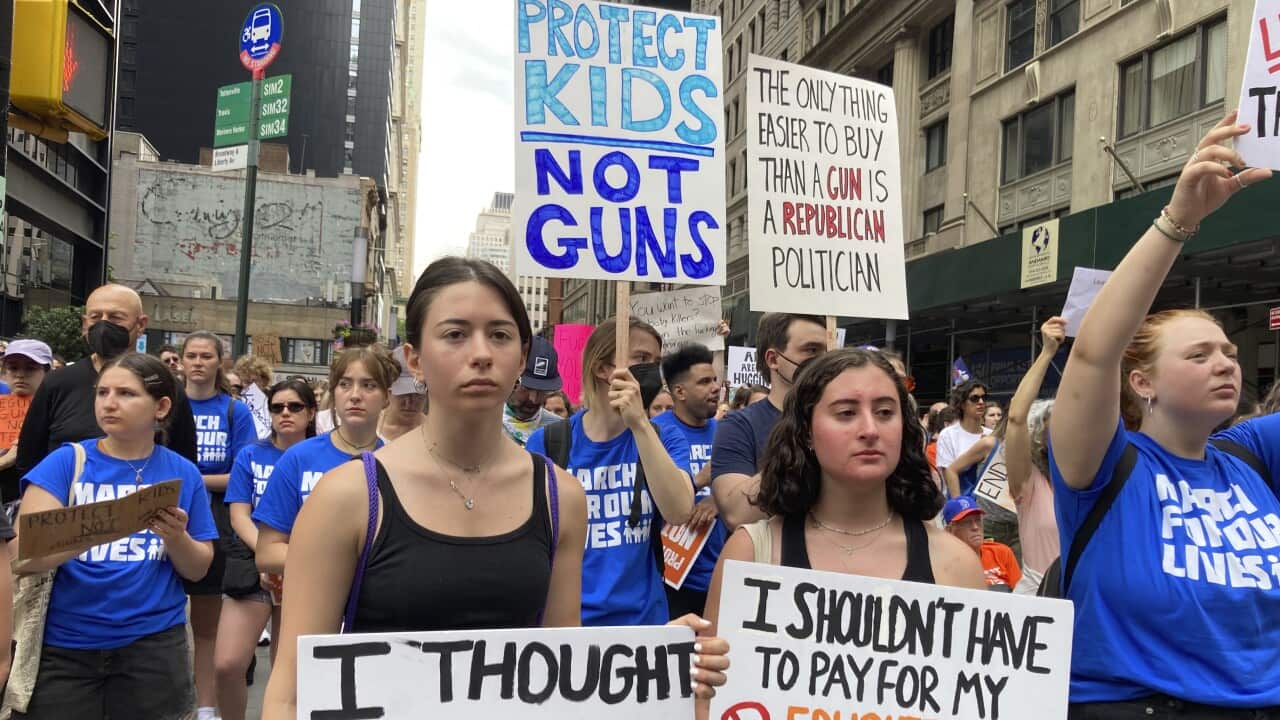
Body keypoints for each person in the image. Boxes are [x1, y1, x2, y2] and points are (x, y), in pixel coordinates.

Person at [260, 257, 726, 720]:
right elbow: (290, 695)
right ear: (414, 358)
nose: (481, 353)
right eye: (455, 334)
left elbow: (564, 675)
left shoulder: (559, 497)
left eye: (500, 335)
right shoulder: (347, 498)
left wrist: (655, 660)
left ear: (522, 357)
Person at [1050, 112, 1280, 715]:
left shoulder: (1254, 459)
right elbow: (1096, 350)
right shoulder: (1103, 466)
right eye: (1200, 354)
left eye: (1230, 352)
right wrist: (1178, 222)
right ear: (1142, 381)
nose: (1226, 363)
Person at [705, 349, 985, 635]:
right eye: (846, 413)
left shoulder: (957, 564)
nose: (870, 429)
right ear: (806, 432)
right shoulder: (751, 553)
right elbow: (716, 675)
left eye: (885, 412)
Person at [14, 353, 217, 719]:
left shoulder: (182, 472)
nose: (109, 403)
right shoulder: (66, 462)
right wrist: (97, 529)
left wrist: (176, 538)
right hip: (65, 646)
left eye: (126, 393)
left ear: (161, 407)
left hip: (152, 646)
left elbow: (199, 568)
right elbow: (24, 552)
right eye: (102, 392)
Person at [526, 317, 696, 625]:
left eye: (656, 362)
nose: (651, 370)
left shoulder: (664, 438)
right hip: (569, 627)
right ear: (603, 369)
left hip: (643, 625)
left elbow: (680, 510)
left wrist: (640, 425)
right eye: (641, 359)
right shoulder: (548, 443)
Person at [16, 284, 199, 484]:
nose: (103, 325)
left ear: (141, 324)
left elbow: (184, 461)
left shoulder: (165, 384)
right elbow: (30, 458)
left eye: (115, 317)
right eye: (95, 317)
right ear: (85, 323)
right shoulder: (57, 382)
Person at [214, 378, 316, 720]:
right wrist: (268, 555)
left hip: (307, 571)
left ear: (311, 412)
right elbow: (239, 513)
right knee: (227, 664)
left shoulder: (324, 455)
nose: (285, 413)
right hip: (253, 565)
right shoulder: (251, 454)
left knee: (288, 672)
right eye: (277, 407)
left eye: (295, 407)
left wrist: (289, 563)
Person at [252, 346, 394, 577]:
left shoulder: (396, 462)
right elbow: (267, 552)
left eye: (369, 385)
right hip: (312, 603)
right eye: (345, 384)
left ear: (386, 397)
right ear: (334, 393)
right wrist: (341, 560)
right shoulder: (298, 458)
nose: (355, 395)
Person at [180, 331, 257, 720]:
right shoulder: (168, 407)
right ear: (179, 361)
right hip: (166, 517)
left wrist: (190, 478)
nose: (197, 362)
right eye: (190, 355)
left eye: (205, 356)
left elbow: (241, 475)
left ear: (219, 363)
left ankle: (206, 708)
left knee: (206, 625)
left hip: (214, 519)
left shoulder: (234, 411)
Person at [712, 313, 827, 530]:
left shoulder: (846, 420)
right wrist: (804, 445)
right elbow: (736, 514)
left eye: (827, 352)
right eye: (811, 350)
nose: (823, 361)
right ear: (773, 359)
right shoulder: (739, 425)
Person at [653, 344, 725, 618]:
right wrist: (696, 482)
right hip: (670, 580)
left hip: (720, 575)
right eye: (704, 382)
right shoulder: (656, 434)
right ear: (679, 392)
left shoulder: (727, 433)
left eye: (715, 380)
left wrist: (719, 498)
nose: (715, 388)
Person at [0, 340, 53, 504]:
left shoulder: (57, 411)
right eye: (13, 368)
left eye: (30, 368)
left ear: (48, 373)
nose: (20, 375)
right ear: (5, 373)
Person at [941, 495, 1021, 591]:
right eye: (966, 522)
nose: (975, 527)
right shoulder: (943, 564)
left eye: (978, 520)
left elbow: (1020, 596)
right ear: (949, 530)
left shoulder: (1002, 552)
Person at [501, 336, 564, 446]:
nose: (533, 399)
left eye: (542, 391)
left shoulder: (562, 431)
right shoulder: (480, 424)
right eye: (526, 389)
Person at [935, 378, 992, 496]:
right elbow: (948, 476)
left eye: (984, 397)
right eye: (974, 398)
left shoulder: (992, 435)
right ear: (962, 404)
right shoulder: (948, 435)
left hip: (986, 507)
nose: (981, 402)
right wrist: (960, 509)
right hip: (959, 503)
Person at [377, 347, 427, 441]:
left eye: (417, 394)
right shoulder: (367, 427)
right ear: (388, 391)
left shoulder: (434, 433)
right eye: (402, 394)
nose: (409, 402)